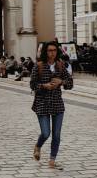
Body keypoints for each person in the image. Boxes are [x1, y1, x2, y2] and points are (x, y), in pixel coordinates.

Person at [30, 41, 73, 169]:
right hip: (42, 103)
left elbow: (70, 83)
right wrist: (44, 86)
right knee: (45, 133)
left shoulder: (60, 66)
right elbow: (32, 85)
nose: (52, 53)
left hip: (57, 104)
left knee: (56, 135)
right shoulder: (38, 66)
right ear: (45, 52)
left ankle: (52, 160)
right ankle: (38, 146)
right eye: (49, 50)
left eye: (54, 50)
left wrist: (61, 82)